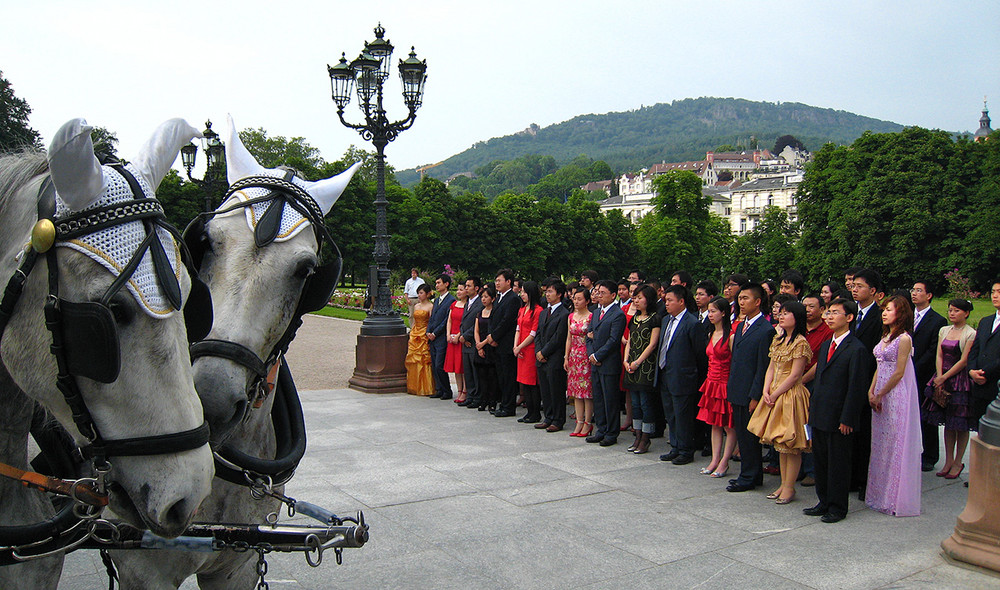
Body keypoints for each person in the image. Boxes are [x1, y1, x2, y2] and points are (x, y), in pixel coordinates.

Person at [805, 298, 871, 524]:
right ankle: (822, 501)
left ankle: (837, 506)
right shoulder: (826, 345)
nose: (829, 317)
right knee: (821, 461)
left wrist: (848, 418)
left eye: (835, 313)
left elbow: (856, 387)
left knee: (838, 463)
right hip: (821, 413)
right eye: (829, 313)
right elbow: (820, 380)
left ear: (849, 318)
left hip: (840, 416)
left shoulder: (857, 349)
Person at [748, 300, 812, 504]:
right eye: (780, 313)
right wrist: (766, 389)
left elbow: (795, 376)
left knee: (790, 444)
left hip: (791, 395)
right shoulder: (778, 339)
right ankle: (783, 484)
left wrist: (775, 394)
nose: (781, 316)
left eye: (786, 313)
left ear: (797, 317)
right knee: (779, 444)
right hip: (774, 393)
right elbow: (771, 367)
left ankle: (790, 487)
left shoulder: (800, 342)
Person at [865, 295, 921, 517]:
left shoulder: (904, 339)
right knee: (881, 444)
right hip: (880, 390)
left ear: (901, 313)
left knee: (895, 444)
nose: (885, 313)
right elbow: (880, 365)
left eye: (889, 310)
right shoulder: (885, 336)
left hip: (895, 394)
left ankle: (893, 497)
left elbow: (899, 371)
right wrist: (872, 390)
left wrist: (882, 393)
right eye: (884, 310)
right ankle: (878, 494)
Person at [726, 283, 777, 493]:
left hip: (750, 392)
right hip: (737, 388)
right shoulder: (741, 325)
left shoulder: (765, 330)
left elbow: (762, 367)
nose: (741, 302)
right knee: (743, 434)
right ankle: (752, 474)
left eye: (746, 298)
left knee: (750, 437)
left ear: (757, 302)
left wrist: (755, 395)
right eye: (740, 298)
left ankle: (748, 476)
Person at [922, 299, 977, 479]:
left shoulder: (970, 333)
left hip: (959, 380)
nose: (952, 314)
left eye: (956, 311)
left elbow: (964, 360)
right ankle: (948, 459)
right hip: (941, 377)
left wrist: (945, 376)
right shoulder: (944, 330)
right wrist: (939, 375)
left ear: (966, 313)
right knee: (946, 423)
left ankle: (958, 461)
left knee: (960, 424)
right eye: (950, 310)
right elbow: (939, 353)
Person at [655, 285, 708, 464]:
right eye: (665, 300)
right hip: (665, 374)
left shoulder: (692, 323)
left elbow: (700, 355)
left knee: (683, 415)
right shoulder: (665, 320)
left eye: (670, 300)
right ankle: (676, 446)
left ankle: (686, 449)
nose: (666, 303)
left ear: (681, 301)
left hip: (684, 377)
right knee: (671, 414)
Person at [850, 267, 882, 500]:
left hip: (869, 379)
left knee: (866, 434)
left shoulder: (880, 316)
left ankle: (864, 480)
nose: (854, 289)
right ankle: (851, 477)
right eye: (852, 285)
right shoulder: (849, 313)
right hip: (849, 379)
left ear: (873, 290)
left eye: (859, 286)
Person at [910, 280, 948, 472]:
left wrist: (914, 367)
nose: (914, 294)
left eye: (919, 291)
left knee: (927, 416)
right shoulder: (908, 316)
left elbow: (934, 349)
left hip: (924, 373)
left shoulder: (937, 320)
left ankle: (930, 455)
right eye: (913, 290)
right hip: (906, 372)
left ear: (929, 295)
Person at [696, 297, 736, 477]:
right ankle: (714, 460)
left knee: (728, 425)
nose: (710, 315)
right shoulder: (711, 333)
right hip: (711, 382)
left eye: (713, 311)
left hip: (725, 384)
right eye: (709, 311)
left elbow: (736, 363)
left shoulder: (731, 335)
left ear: (724, 313)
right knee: (714, 424)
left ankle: (724, 461)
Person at [585, 280, 626, 446]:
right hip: (595, 362)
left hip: (608, 362)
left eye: (602, 293)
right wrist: (591, 354)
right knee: (599, 398)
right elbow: (588, 335)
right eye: (597, 292)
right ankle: (600, 429)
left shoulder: (618, 314)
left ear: (613, 295)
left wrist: (598, 356)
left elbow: (614, 340)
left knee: (610, 399)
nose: (598, 295)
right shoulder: (595, 312)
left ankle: (611, 432)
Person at [623, 285, 661, 454]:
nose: (636, 301)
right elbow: (629, 341)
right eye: (635, 298)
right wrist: (626, 360)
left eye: (640, 298)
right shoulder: (635, 318)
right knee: (635, 404)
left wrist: (637, 362)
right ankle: (637, 435)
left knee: (646, 403)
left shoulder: (654, 318)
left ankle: (646, 438)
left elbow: (652, 344)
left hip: (645, 366)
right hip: (631, 365)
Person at [535, 280, 570, 432]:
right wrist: (538, 351)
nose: (547, 295)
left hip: (555, 357)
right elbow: (538, 334)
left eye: (550, 291)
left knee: (556, 390)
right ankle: (548, 417)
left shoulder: (564, 314)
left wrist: (544, 351)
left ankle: (558, 419)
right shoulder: (544, 312)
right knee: (545, 390)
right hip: (541, 357)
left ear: (559, 294)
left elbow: (558, 337)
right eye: (546, 291)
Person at [486, 269, 520, 417]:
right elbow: (493, 318)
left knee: (508, 376)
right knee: (501, 376)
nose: (497, 283)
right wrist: (490, 336)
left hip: (506, 343)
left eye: (500, 280)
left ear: (508, 282)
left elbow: (507, 321)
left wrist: (494, 337)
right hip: (497, 343)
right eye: (496, 280)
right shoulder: (499, 298)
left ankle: (509, 406)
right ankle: (503, 404)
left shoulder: (513, 299)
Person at [968, 281, 1000, 426]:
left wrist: (985, 372)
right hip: (979, 385)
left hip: (995, 383)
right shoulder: (985, 322)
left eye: (999, 292)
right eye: (993, 292)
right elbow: (975, 349)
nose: (995, 296)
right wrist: (971, 370)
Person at [565, 286, 594, 437]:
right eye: (575, 299)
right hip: (574, 355)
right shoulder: (571, 317)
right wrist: (566, 356)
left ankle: (588, 423)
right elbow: (568, 338)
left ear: (587, 301)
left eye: (579, 299)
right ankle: (579, 421)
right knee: (575, 391)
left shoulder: (591, 317)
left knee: (586, 392)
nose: (576, 301)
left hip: (585, 355)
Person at [514, 281, 543, 424]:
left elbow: (533, 333)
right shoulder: (522, 309)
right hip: (521, 349)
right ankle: (529, 412)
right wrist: (516, 346)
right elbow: (518, 329)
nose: (522, 294)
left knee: (532, 383)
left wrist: (520, 346)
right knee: (524, 382)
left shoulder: (538, 310)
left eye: (524, 292)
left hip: (530, 350)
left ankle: (535, 412)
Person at [427, 274, 456, 400]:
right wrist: (428, 331)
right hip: (432, 337)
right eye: (436, 283)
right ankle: (439, 388)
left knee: (440, 364)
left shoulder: (451, 300)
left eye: (439, 283)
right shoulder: (437, 300)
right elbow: (432, 317)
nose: (437, 285)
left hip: (441, 337)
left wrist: (435, 333)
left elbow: (446, 320)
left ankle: (446, 390)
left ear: (446, 284)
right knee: (434, 364)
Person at [405, 283, 435, 396]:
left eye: (421, 293)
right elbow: (413, 320)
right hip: (415, 333)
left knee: (424, 360)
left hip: (424, 333)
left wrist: (428, 333)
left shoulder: (431, 306)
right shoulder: (416, 306)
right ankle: (414, 385)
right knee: (413, 359)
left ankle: (427, 386)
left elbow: (431, 321)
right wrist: (412, 331)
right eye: (418, 293)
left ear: (427, 294)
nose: (419, 295)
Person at [474, 285, 499, 412]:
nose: (483, 299)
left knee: (492, 376)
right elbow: (476, 330)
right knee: (481, 376)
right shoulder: (479, 312)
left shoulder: (495, 312)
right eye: (482, 297)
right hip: (480, 347)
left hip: (490, 347)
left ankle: (492, 401)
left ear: (493, 298)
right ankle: (483, 400)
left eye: (486, 297)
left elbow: (492, 332)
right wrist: (478, 345)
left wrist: (483, 344)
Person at [459, 277, 483, 408]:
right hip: (465, 342)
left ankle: (478, 397)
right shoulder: (467, 302)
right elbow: (463, 322)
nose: (466, 288)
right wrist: (462, 335)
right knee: (467, 370)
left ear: (477, 288)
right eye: (466, 286)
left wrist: (468, 336)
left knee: (475, 370)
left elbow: (477, 323)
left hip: (474, 341)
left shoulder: (480, 303)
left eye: (469, 286)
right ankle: (470, 395)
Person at [444, 282, 468, 404]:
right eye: (457, 290)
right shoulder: (454, 304)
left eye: (461, 289)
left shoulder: (467, 305)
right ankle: (459, 390)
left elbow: (466, 323)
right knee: (455, 368)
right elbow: (449, 320)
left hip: (460, 338)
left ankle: (465, 391)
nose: (458, 292)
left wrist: (458, 335)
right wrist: (448, 334)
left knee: (462, 366)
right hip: (452, 338)